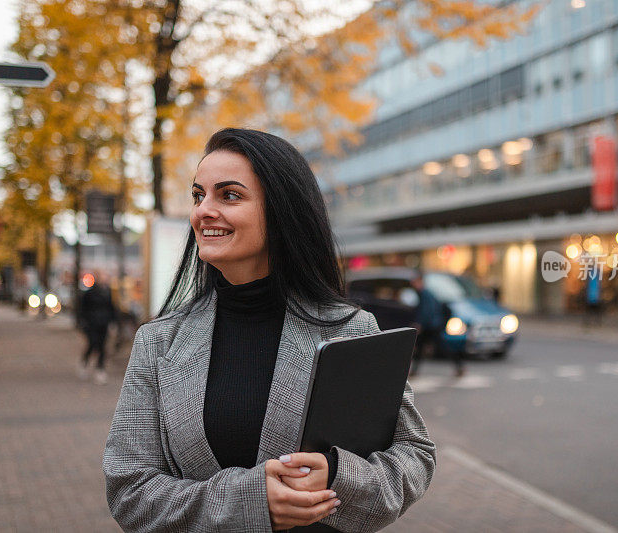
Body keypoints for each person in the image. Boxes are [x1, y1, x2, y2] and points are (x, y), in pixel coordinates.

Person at [103, 128, 436, 532]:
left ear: (281, 213)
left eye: (229, 195)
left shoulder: (350, 329)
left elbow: (413, 455)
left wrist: (335, 475)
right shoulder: (159, 341)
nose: (203, 210)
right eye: (198, 195)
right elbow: (129, 489)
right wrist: (251, 501)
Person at [409, 273, 456, 377]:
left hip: (431, 326)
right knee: (421, 348)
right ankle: (414, 371)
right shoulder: (425, 293)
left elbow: (426, 311)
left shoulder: (424, 294)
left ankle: (458, 366)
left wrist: (420, 323)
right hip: (431, 325)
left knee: (441, 346)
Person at [78, 271, 116, 385]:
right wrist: (83, 323)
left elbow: (111, 308)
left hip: (103, 324)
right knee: (92, 344)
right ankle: (85, 363)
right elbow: (82, 309)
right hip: (92, 324)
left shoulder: (107, 292)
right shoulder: (89, 293)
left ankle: (100, 368)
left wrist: (113, 322)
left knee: (102, 347)